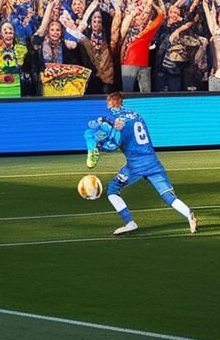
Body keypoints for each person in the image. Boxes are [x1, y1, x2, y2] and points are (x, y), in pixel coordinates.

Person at [85, 92, 199, 235]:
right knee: (167, 195)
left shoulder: (115, 120)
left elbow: (114, 144)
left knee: (113, 189)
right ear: (122, 102)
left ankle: (129, 222)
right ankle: (188, 214)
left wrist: (99, 146)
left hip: (135, 165)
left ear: (109, 103)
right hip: (152, 161)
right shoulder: (136, 114)